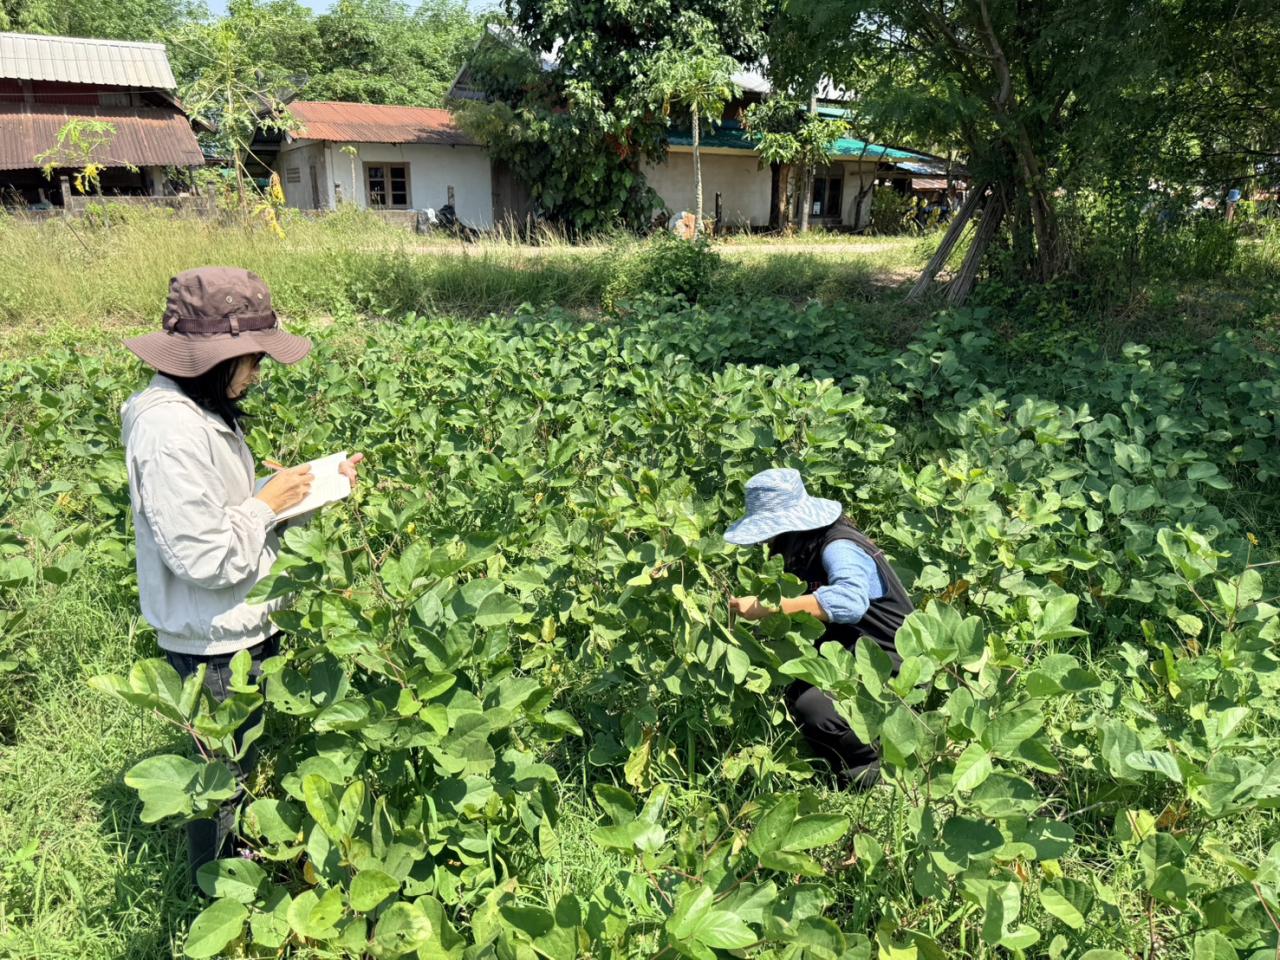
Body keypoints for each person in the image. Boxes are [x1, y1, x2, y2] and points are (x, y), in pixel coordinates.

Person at [120, 266, 363, 884]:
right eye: (251, 359)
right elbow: (202, 556)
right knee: (218, 779)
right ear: (207, 359)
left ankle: (239, 871)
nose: (257, 372)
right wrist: (266, 504)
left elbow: (215, 509)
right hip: (213, 640)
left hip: (237, 619)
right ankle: (217, 890)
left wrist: (307, 486)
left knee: (237, 762)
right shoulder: (167, 430)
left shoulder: (199, 408)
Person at [724, 468, 914, 789]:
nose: (766, 541)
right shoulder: (798, 547)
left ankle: (881, 768)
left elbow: (850, 602)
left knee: (814, 705)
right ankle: (850, 762)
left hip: (893, 663)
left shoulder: (838, 545)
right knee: (794, 686)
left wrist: (768, 607)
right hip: (856, 655)